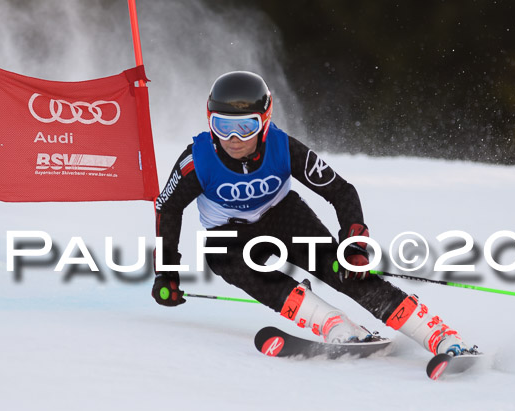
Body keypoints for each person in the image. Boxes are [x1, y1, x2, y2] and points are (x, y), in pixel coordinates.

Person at [152, 70, 470, 355]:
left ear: (263, 120)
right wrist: (167, 273)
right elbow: (168, 209)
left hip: (283, 216)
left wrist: (354, 244)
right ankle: (334, 325)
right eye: (222, 126)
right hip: (229, 234)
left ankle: (438, 335)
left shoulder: (283, 148)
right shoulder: (197, 161)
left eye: (245, 127)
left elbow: (341, 191)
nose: (233, 139)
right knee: (219, 257)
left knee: (343, 271)